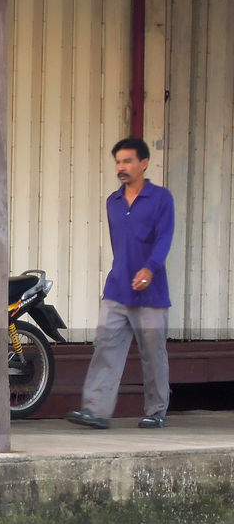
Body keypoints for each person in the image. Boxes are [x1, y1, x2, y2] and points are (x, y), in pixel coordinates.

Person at [67, 137, 174, 430]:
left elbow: (164, 239)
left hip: (151, 292)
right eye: (118, 161)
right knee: (106, 348)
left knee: (153, 355)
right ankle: (95, 411)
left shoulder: (161, 198)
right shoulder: (112, 202)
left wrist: (150, 268)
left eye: (127, 161)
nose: (121, 167)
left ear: (144, 163)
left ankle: (156, 411)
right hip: (117, 288)